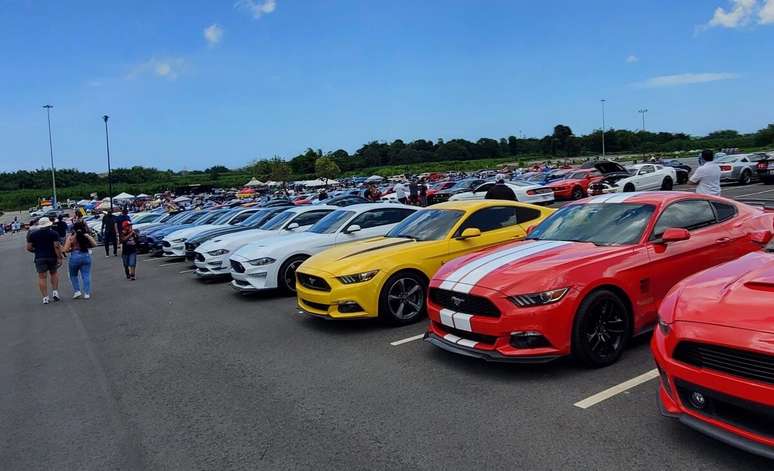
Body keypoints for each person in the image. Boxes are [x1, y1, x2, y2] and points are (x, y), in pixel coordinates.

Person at [26, 217, 63, 304]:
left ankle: (45, 297)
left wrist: (36, 251)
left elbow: (29, 248)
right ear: (49, 224)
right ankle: (55, 292)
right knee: (53, 273)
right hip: (52, 256)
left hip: (39, 257)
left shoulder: (33, 234)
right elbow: (56, 246)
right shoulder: (54, 233)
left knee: (42, 277)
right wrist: (59, 257)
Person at [64, 220, 96, 299]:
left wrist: (72, 249)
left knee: (73, 274)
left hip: (75, 256)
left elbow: (66, 249)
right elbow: (94, 244)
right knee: (86, 274)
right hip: (86, 255)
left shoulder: (71, 237)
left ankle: (77, 291)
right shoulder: (85, 235)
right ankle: (87, 293)